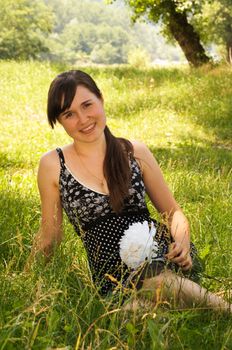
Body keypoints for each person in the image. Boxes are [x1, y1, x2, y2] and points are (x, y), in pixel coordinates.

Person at [29, 69, 231, 312]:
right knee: (130, 316)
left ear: (101, 99)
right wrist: (27, 280)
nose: (83, 119)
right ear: (59, 121)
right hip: (111, 275)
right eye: (69, 113)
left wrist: (183, 242)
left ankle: (224, 311)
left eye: (87, 105)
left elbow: (173, 211)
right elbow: (50, 236)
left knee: (158, 281)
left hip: (159, 256)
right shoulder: (53, 164)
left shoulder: (134, 152)